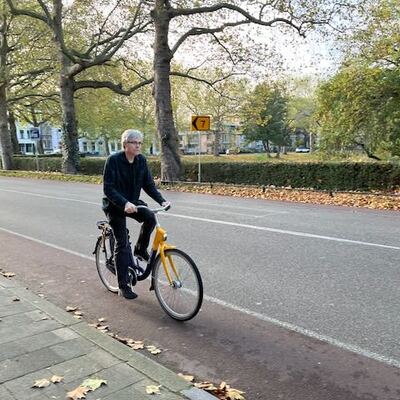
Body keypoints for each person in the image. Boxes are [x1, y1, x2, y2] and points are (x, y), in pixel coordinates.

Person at [102, 129, 169, 300]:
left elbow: (148, 185)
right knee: (122, 243)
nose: (138, 146)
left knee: (150, 217)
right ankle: (123, 286)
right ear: (125, 144)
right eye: (134, 142)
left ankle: (140, 249)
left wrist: (162, 201)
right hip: (114, 206)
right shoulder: (113, 160)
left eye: (140, 143)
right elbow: (108, 188)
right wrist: (124, 203)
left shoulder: (141, 160)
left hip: (133, 203)